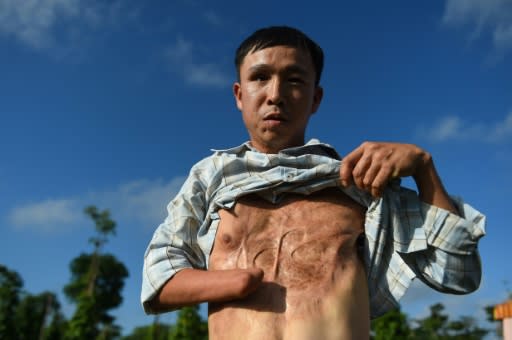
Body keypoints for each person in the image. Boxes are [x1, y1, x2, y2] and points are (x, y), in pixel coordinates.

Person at [141, 26, 485, 339]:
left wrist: (424, 168)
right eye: (260, 77)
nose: (275, 94)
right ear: (239, 95)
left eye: (294, 80)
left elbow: (458, 274)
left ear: (315, 98)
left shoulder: (359, 181)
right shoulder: (210, 177)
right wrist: (236, 280)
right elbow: (159, 281)